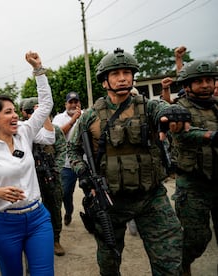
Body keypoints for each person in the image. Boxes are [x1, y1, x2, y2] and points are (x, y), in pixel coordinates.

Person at [68, 48, 184, 275]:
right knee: (109, 262)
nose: (122, 78)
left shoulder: (148, 107)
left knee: (170, 262)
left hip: (151, 198)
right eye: (115, 74)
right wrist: (83, 173)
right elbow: (71, 149)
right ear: (104, 82)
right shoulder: (90, 116)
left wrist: (172, 113)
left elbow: (164, 109)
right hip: (111, 200)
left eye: (126, 73)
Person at [0, 51, 54, 276]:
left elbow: (45, 105)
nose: (15, 115)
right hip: (4, 226)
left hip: (37, 219)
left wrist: (38, 70)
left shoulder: (24, 132)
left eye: (15, 110)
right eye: (8, 112)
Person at [170, 59, 218, 275]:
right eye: (199, 81)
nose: (206, 85)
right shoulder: (179, 109)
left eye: (209, 80)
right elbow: (184, 134)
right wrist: (211, 135)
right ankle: (184, 265)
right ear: (187, 85)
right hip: (193, 183)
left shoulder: (216, 105)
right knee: (195, 238)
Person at [23, 97, 66, 256]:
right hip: (32, 178)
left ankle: (56, 239)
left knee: (54, 208)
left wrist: (56, 168)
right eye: (30, 113)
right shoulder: (25, 131)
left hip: (51, 176)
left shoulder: (54, 129)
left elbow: (62, 150)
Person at [52, 92, 82, 226]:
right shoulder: (59, 118)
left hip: (84, 162)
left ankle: (92, 219)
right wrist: (73, 120)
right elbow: (56, 136)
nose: (74, 105)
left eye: (76, 102)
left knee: (91, 191)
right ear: (66, 104)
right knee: (66, 193)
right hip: (66, 164)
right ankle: (69, 211)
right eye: (71, 102)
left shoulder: (86, 115)